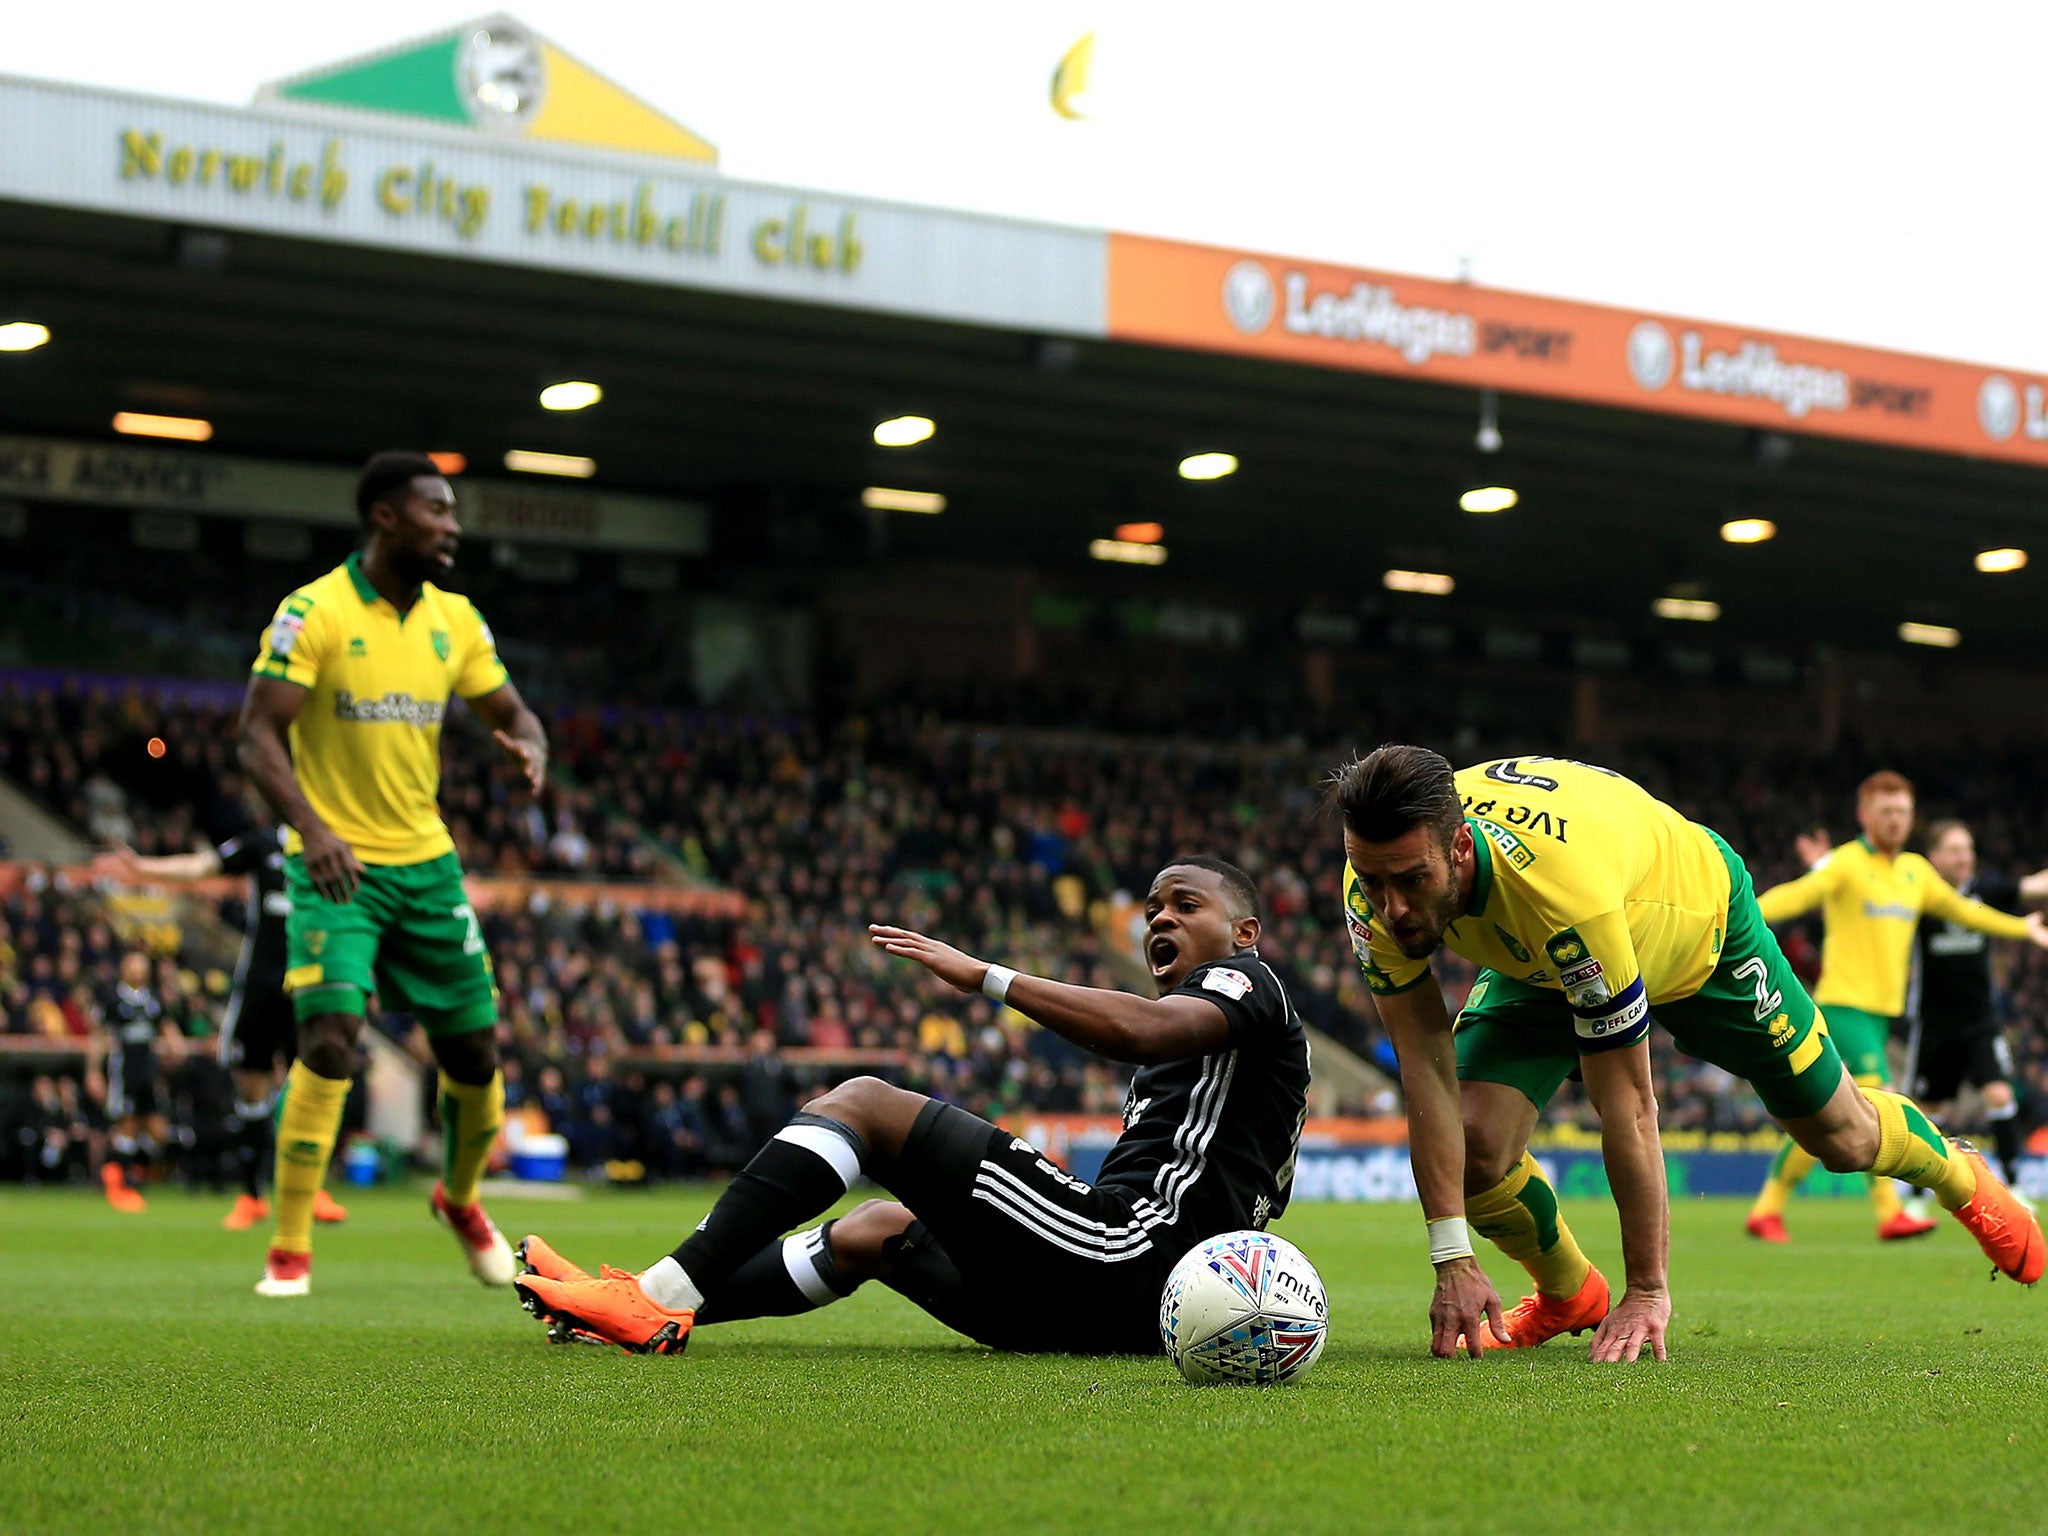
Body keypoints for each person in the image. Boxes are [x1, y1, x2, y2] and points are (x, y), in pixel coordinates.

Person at [1332, 747, 2045, 1365]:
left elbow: (1632, 1109)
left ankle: (1958, 1171)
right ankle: (1567, 1293)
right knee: (1477, 1145)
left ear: (1458, 848)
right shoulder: (1377, 878)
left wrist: (1648, 1289)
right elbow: (1424, 1072)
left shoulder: (1560, 897)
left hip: (1700, 931)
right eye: (1373, 881)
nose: (1390, 907)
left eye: (1410, 881)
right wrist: (1451, 1255)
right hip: (1548, 954)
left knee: (1841, 1136)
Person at [510, 857, 1311, 1358]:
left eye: (1183, 905)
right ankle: (636, 1308)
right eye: (1152, 910)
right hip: (1105, 1304)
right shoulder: (1227, 1040)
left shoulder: (1251, 984)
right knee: (873, 1232)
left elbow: (1140, 1031)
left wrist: (987, 976)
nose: (1160, 918)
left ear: (1244, 932)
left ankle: (653, 1297)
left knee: (866, 1105)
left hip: (1133, 1264)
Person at [239, 450, 549, 1296]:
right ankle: (290, 1248)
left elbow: (507, 705)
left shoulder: (456, 620)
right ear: (386, 517)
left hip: (427, 867)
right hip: (335, 868)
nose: (452, 527)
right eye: (436, 511)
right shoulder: (315, 612)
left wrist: (531, 738)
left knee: (476, 1055)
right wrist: (312, 827)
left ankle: (458, 1199)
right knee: (332, 1039)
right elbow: (256, 734)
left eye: (451, 513)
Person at [1745, 773, 2040, 1242]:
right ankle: (1889, 1212)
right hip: (1843, 1006)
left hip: (1881, 1015)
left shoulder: (1917, 873)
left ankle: (1767, 1208)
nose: (1896, 820)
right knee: (1873, 1105)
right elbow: (1798, 893)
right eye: (1886, 812)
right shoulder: (1844, 863)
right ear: (1864, 815)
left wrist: (2021, 929)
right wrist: (1744, 912)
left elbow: (1966, 912)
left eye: (1902, 812)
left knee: (1827, 1113)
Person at [94, 823, 349, 1231]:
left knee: (312, 1087)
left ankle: (309, 1189)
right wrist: (144, 867)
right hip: (262, 986)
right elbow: (202, 866)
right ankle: (252, 1196)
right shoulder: (262, 844)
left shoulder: (336, 844)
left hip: (312, 982)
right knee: (251, 1085)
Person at [1905, 818, 2048, 1200]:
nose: (1964, 857)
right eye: (1954, 850)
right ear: (1934, 858)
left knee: (2000, 1094)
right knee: (1930, 1108)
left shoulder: (1985, 890)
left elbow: (2034, 884)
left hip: (1980, 1019)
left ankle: (2014, 1184)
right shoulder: (1919, 895)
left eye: (1967, 849)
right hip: (1934, 1020)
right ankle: (1918, 1196)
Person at [99, 950, 171, 1213]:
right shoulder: (112, 997)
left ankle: (131, 1175)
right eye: (133, 965)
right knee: (126, 1126)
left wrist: (176, 1046)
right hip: (124, 1070)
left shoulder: (153, 998)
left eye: (142, 966)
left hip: (148, 1071)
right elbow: (101, 1035)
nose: (138, 971)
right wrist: (94, 1071)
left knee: (157, 1130)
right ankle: (119, 1185)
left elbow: (165, 1027)